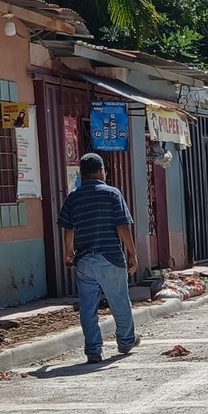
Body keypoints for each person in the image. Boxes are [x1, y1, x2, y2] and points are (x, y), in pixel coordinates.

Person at [58, 152, 138, 363]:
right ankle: (126, 341)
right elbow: (122, 225)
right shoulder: (112, 194)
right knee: (119, 301)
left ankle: (93, 350)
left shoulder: (73, 197)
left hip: (84, 260)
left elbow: (68, 228)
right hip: (110, 257)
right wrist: (132, 253)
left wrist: (68, 252)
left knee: (88, 307)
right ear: (102, 171)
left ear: (82, 174)